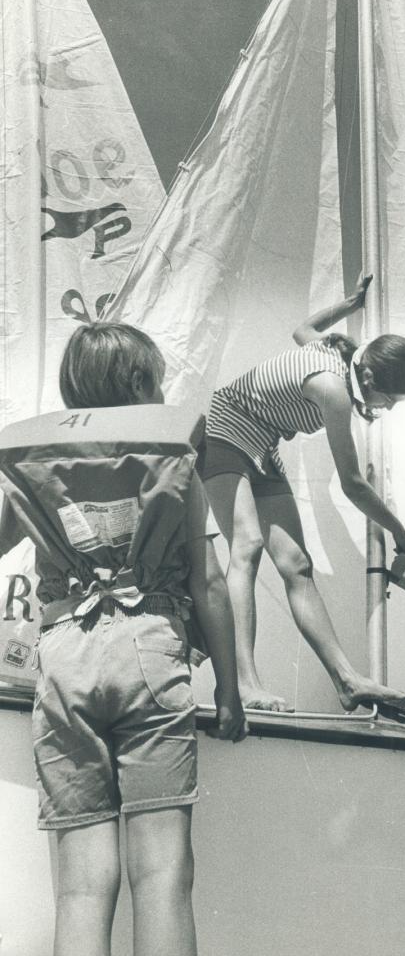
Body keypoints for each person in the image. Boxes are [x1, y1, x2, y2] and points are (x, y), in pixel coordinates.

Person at [0, 323, 247, 956]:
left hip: (63, 656)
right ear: (139, 383)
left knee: (81, 889)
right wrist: (229, 691)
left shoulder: (28, 463)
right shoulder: (171, 456)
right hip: (150, 649)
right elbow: (211, 581)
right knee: (162, 875)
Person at [203, 274, 405, 712]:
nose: (386, 409)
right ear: (370, 375)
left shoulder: (331, 354)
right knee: (246, 546)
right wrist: (398, 530)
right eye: (389, 399)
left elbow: (303, 328)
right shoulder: (332, 389)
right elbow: (352, 484)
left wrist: (349, 304)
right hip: (225, 431)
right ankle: (244, 682)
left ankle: (347, 681)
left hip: (261, 444)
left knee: (297, 565)